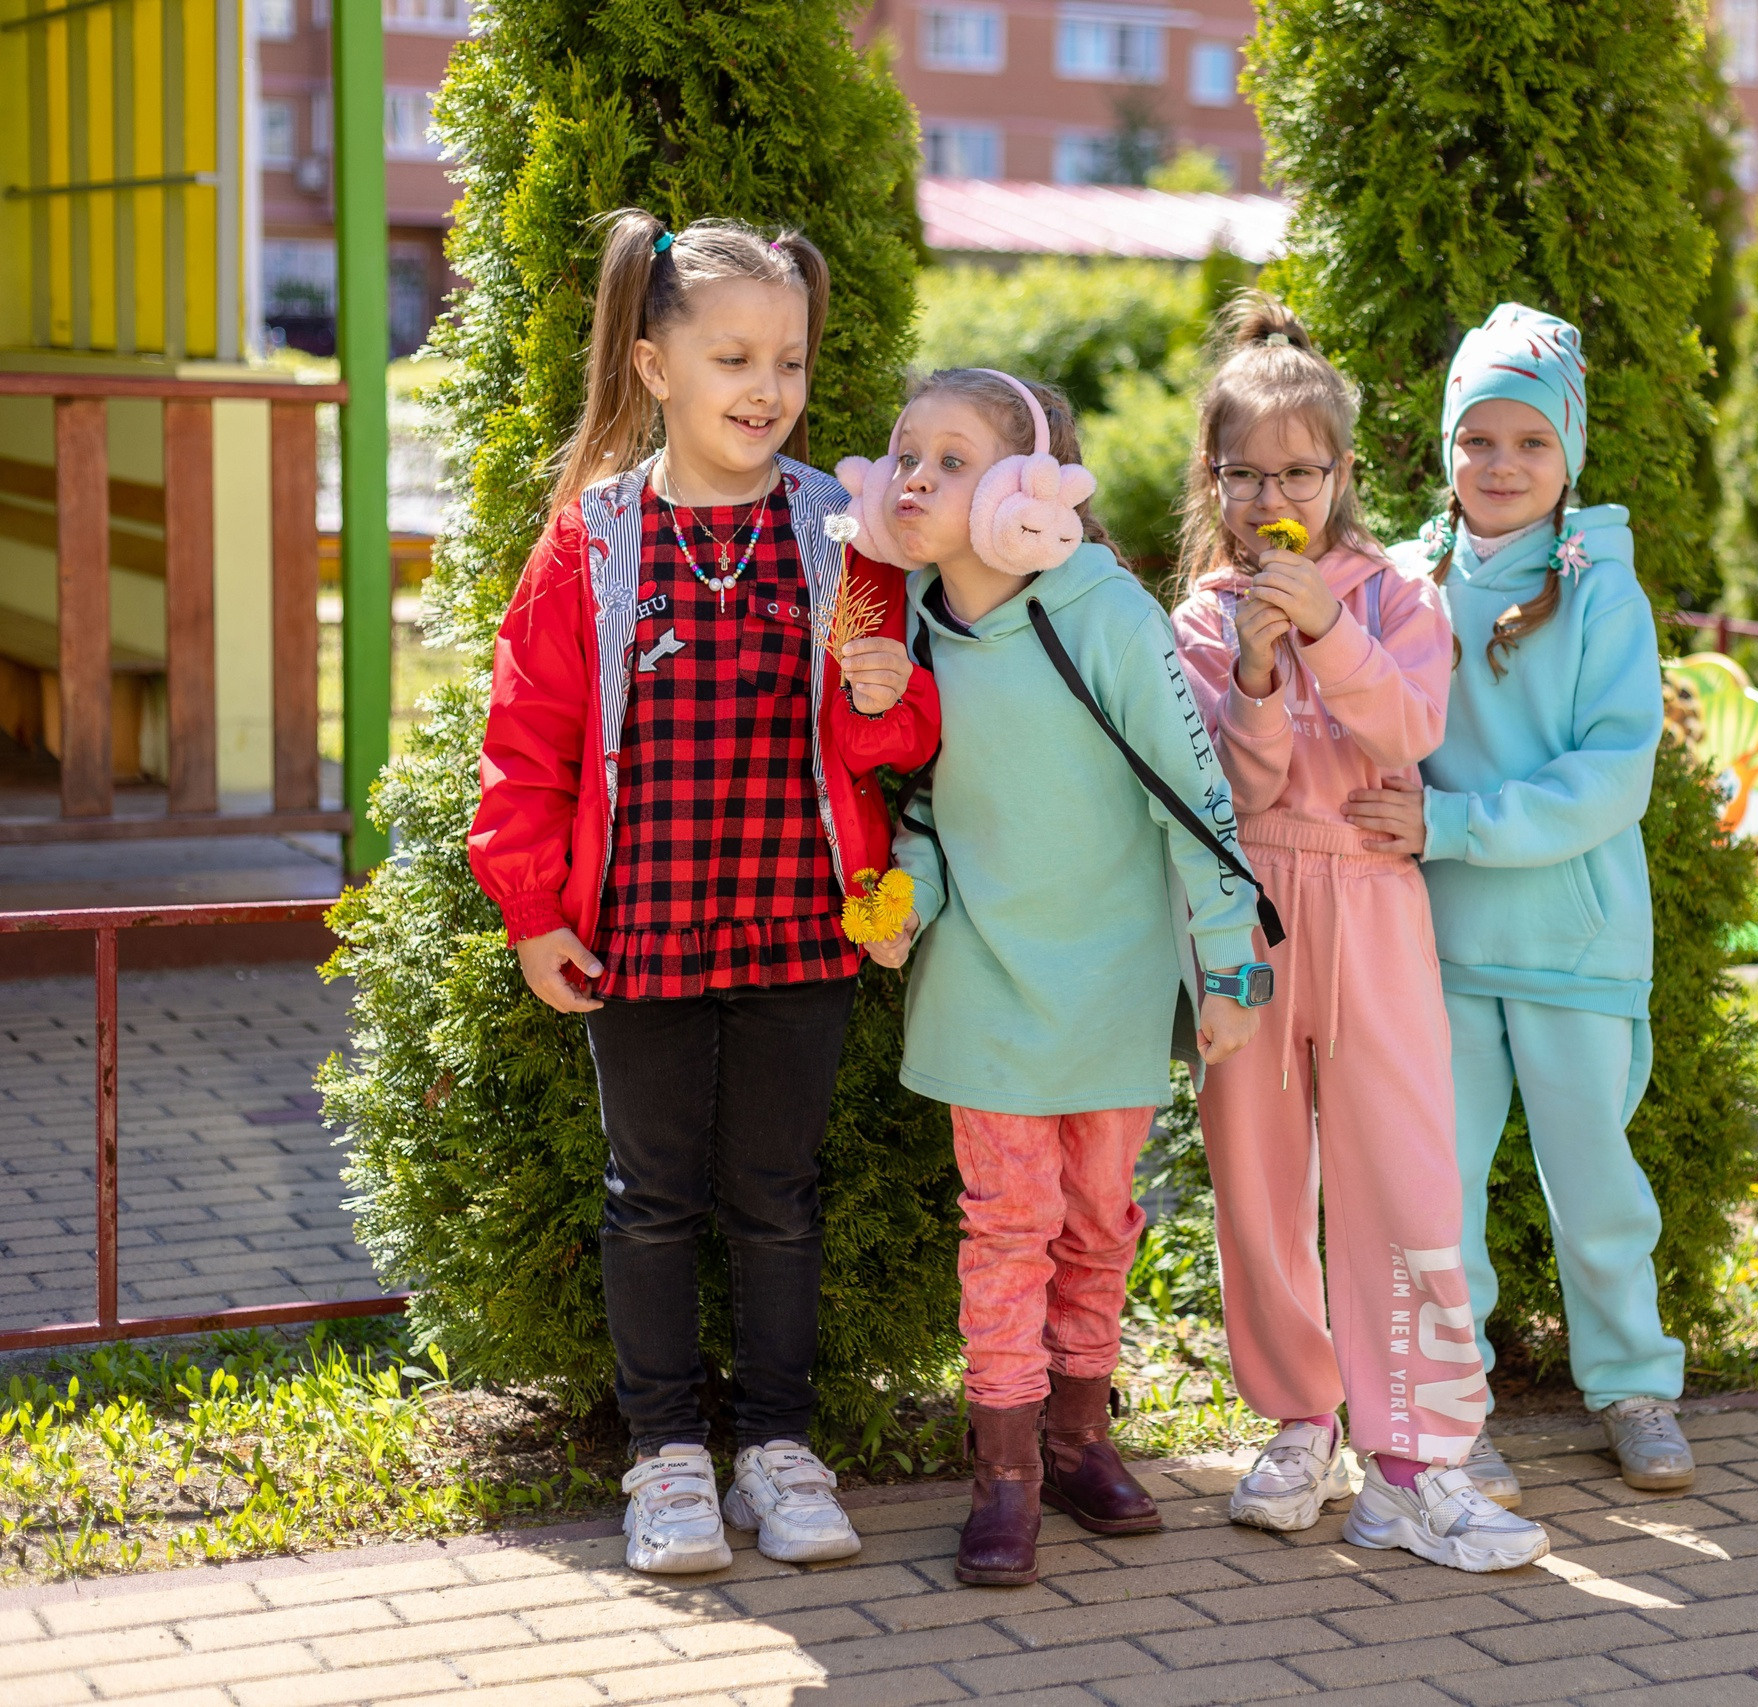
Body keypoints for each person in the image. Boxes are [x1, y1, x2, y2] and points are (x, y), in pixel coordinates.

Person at [470, 213, 938, 1573]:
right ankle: (665, 1455)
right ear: (652, 360)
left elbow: (891, 745)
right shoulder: (593, 543)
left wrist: (888, 697)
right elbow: (531, 738)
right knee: (653, 1194)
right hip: (641, 926)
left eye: (789, 358)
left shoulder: (843, 538)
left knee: (779, 1191)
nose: (769, 385)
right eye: (734, 353)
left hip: (801, 918)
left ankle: (780, 1448)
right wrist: (534, 910)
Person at [838, 367, 1266, 1587]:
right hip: (984, 976)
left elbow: (1195, 800)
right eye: (904, 453)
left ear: (1031, 489)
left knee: (1098, 1226)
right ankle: (1007, 1475)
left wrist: (1233, 969)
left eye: (953, 458)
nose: (914, 476)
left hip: (1117, 978)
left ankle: (1081, 1442)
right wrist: (902, 899)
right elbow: (918, 806)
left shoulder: (1109, 614)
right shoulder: (906, 618)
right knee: (1004, 1232)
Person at [1169, 294, 1548, 1572]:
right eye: (1246, 471)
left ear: (1339, 473)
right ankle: (1296, 1420)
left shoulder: (1393, 593)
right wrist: (1264, 675)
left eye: (1298, 470)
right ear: (1214, 478)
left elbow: (1408, 736)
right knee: (1257, 1174)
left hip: (1375, 907)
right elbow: (1242, 788)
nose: (1273, 492)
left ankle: (1415, 1459)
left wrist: (1324, 633)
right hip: (1256, 912)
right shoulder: (1206, 620)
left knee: (1401, 1169)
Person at [1346, 303, 1698, 1501]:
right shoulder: (1400, 579)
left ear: (1570, 455)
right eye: (1476, 439)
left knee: (1596, 1185)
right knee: (1436, 1191)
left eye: (1529, 444)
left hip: (1574, 944)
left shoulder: (1604, 596)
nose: (1500, 466)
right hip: (1432, 951)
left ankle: (1634, 1386)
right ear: (1445, 446)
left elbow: (1612, 775)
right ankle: (1449, 1415)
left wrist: (1452, 827)